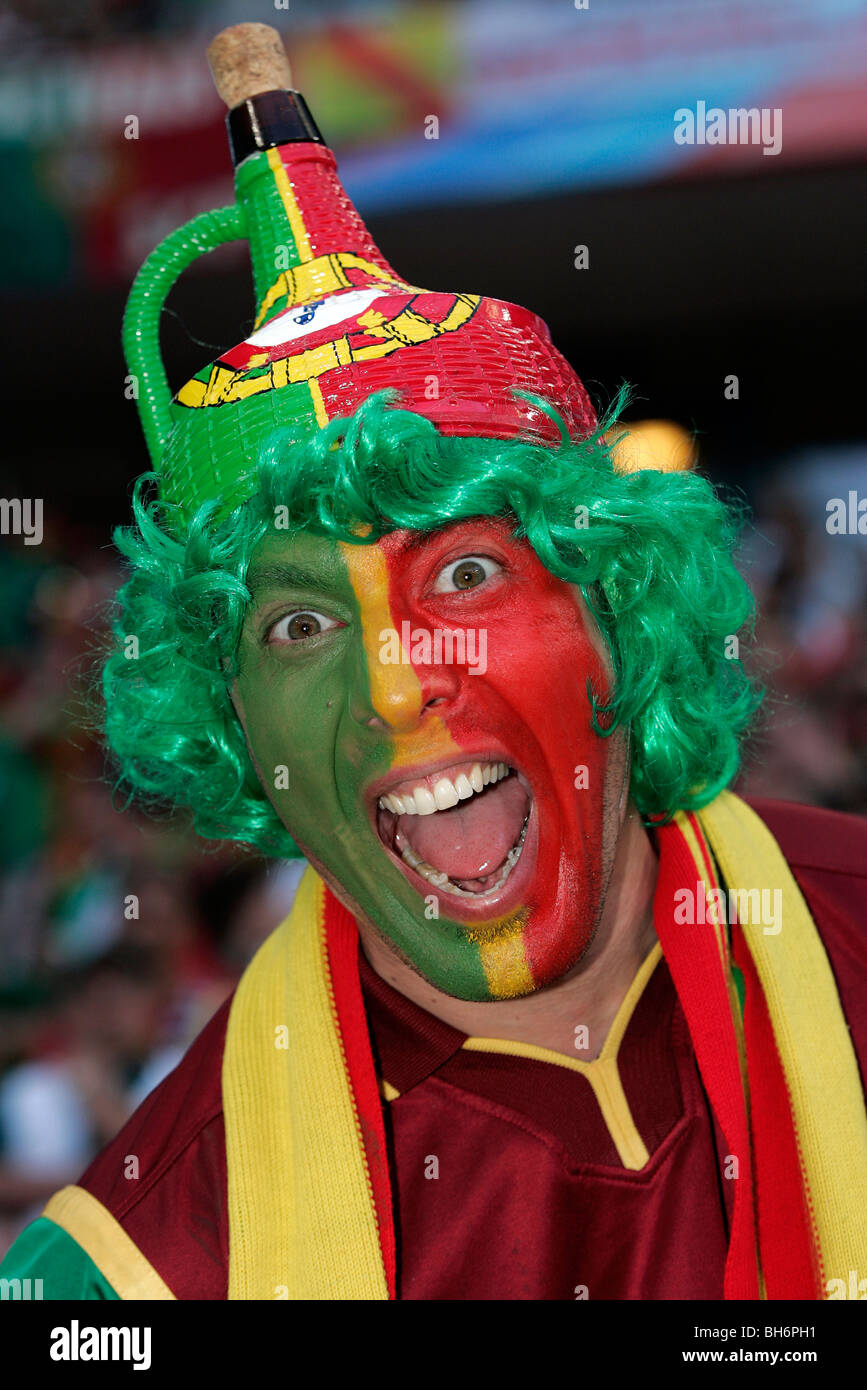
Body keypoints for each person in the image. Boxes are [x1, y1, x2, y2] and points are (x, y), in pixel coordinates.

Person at [2, 23, 865, 1301]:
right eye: (299, 626)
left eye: (464, 572)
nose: (398, 684)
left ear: (617, 601)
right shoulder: (131, 1273)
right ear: (235, 726)